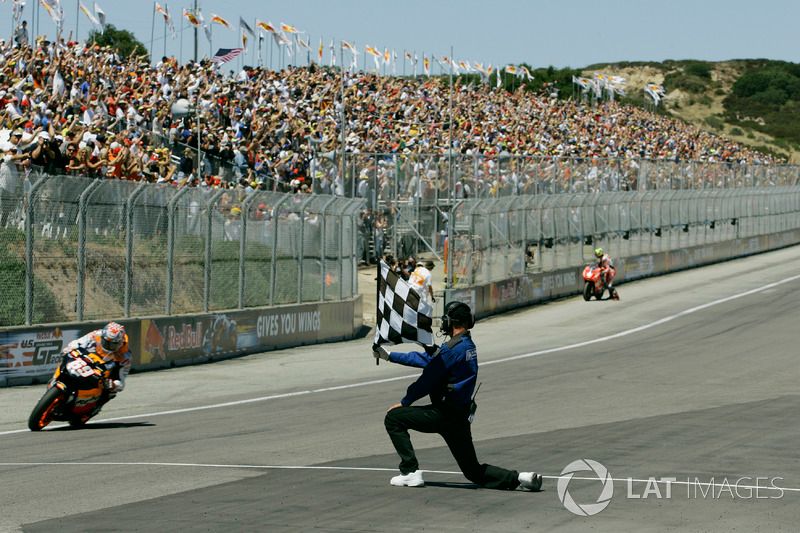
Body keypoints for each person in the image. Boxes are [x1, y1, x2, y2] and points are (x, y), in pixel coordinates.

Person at [374, 301, 543, 491]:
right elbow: (429, 360)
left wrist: (405, 402)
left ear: (450, 322)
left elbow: (427, 379)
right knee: (473, 471)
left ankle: (410, 472)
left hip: (443, 414)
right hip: (459, 417)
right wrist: (389, 355)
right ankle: (521, 478)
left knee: (394, 419)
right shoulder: (466, 345)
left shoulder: (453, 350)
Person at [62, 322, 132, 406]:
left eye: (112, 345)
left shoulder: (125, 356)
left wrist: (113, 384)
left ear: (120, 342)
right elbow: (78, 342)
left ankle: (93, 408)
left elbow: (121, 381)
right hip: (87, 361)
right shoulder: (96, 334)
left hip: (103, 374)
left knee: (111, 393)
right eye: (106, 342)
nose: (108, 346)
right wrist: (69, 348)